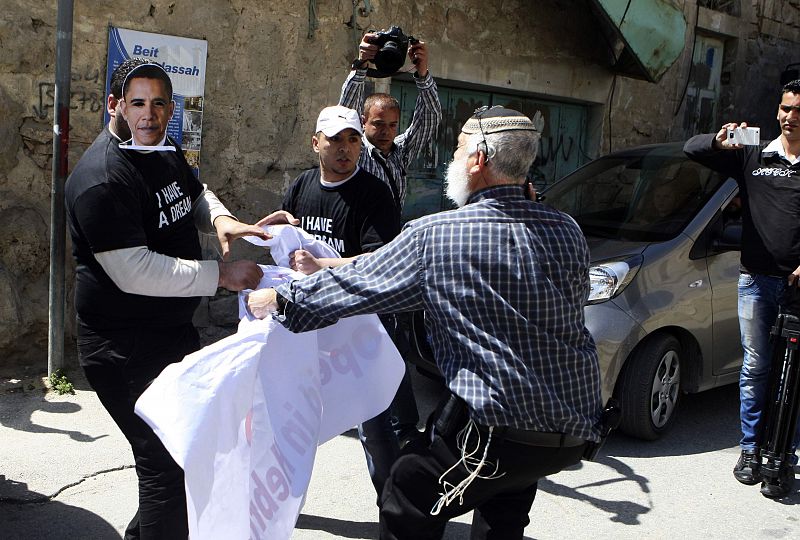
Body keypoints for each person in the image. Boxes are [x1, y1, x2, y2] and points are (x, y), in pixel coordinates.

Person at [247, 107, 602, 539]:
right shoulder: (566, 228)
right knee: (506, 497)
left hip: (496, 426)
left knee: (407, 491)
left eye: (458, 148)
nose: (452, 158)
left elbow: (359, 284)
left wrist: (280, 300)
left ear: (478, 160)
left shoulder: (436, 234)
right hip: (571, 427)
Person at [65, 61, 270, 539]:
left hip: (169, 333)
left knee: (185, 450)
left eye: (158, 104)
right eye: (137, 103)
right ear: (115, 105)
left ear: (171, 109)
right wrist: (221, 275)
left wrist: (221, 220)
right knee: (164, 463)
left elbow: (193, 194)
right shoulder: (102, 178)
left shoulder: (160, 147)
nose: (149, 114)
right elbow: (134, 270)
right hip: (121, 346)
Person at [263, 104, 402, 497]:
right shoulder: (303, 186)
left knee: (374, 423)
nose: (346, 148)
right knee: (290, 415)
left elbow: (381, 260)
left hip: (358, 327)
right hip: (308, 323)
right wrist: (274, 229)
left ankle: (396, 510)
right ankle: (278, 502)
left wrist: (321, 265)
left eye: (354, 139)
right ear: (315, 143)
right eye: (335, 139)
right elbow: (289, 235)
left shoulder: (374, 194)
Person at [684, 79, 800, 499]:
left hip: (797, 287)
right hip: (755, 281)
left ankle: (783, 453)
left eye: (799, 111)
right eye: (785, 108)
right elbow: (691, 150)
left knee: (794, 375)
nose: (790, 117)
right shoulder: (755, 151)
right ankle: (750, 449)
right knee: (756, 368)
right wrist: (718, 140)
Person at [340, 29, 443, 451]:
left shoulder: (399, 153)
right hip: (355, 252)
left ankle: (397, 420)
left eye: (391, 126)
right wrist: (361, 66)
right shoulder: (353, 152)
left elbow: (430, 122)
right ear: (363, 124)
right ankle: (354, 408)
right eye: (377, 124)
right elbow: (342, 112)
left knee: (390, 338)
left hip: (391, 254)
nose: (384, 132)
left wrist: (423, 74)